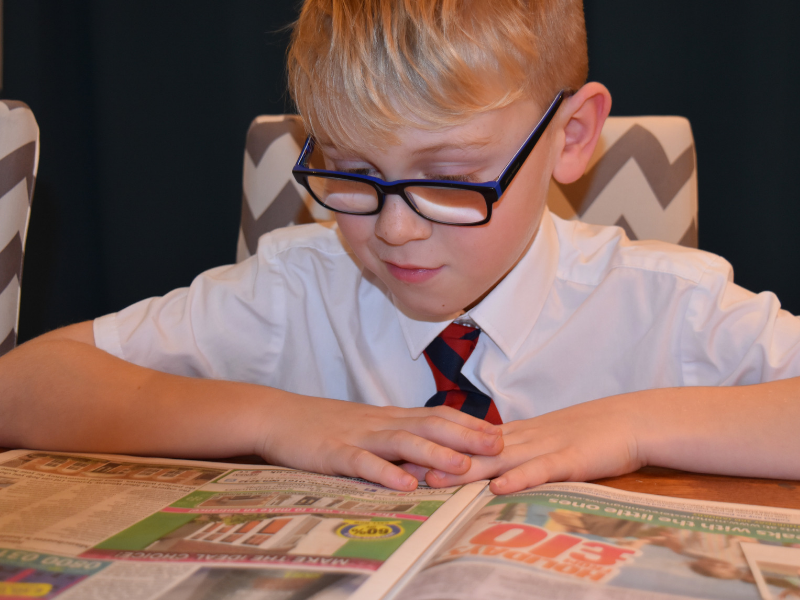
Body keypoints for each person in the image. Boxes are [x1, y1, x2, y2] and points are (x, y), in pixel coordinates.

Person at [2, 0, 800, 496]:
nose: (394, 229)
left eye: (450, 179)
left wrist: (635, 427)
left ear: (572, 136)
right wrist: (277, 421)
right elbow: (24, 386)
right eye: (350, 172)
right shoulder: (295, 287)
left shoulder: (668, 302)